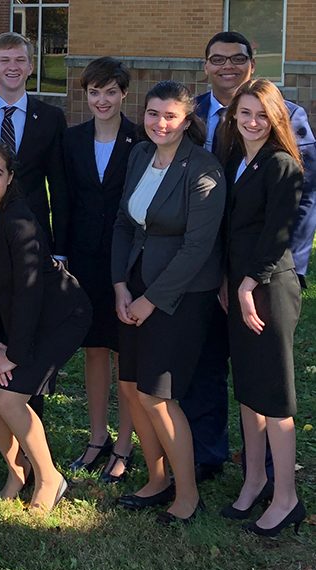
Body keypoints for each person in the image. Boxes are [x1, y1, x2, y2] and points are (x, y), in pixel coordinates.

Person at [184, 30, 316, 484]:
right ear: (204, 65)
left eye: (237, 59)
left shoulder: (287, 117)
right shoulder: (194, 114)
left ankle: (270, 474)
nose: (227, 66)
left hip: (265, 273)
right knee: (210, 364)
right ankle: (210, 454)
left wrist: (282, 270)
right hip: (214, 268)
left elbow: (301, 202)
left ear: (251, 65)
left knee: (264, 376)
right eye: (217, 59)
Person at [111, 81, 226, 524]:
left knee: (158, 395)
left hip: (180, 296)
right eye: (153, 113)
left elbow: (198, 249)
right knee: (134, 390)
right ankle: (156, 479)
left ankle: (188, 493)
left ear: (187, 120)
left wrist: (150, 301)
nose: (160, 123)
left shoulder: (203, 170)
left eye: (170, 116)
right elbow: (124, 222)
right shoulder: (140, 156)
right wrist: (121, 285)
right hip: (134, 286)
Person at [0, 141, 90, 509]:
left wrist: (13, 354)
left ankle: (49, 478)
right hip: (14, 318)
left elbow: (31, 293)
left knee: (10, 398)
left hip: (58, 316)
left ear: (10, 178)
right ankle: (17, 471)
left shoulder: (21, 221)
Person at [216, 79, 306, 536]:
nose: (251, 122)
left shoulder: (283, 165)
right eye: (244, 113)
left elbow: (277, 232)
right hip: (239, 287)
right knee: (248, 391)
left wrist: (249, 284)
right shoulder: (236, 159)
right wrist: (230, 283)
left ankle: (287, 498)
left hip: (270, 288)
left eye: (261, 115)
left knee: (273, 394)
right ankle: (255, 481)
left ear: (276, 120)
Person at [62, 57, 137, 483]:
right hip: (84, 257)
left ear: (123, 93)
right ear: (85, 95)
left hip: (127, 260)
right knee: (94, 349)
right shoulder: (72, 140)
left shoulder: (141, 139)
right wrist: (61, 254)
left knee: (126, 349)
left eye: (111, 91)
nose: (102, 100)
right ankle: (97, 438)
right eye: (94, 92)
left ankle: (125, 443)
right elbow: (67, 201)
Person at [0, 32, 69, 258]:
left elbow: (59, 186)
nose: (12, 67)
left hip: (34, 233)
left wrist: (61, 251)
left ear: (30, 67)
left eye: (20, 60)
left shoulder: (51, 118)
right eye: (4, 60)